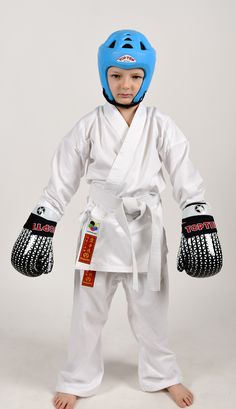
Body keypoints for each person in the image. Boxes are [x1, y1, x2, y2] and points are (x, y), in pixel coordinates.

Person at [11, 29, 222, 409]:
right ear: (104, 75)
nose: (126, 85)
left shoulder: (161, 124)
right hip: (99, 230)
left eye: (136, 76)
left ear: (147, 78)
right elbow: (62, 179)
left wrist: (196, 216)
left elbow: (184, 175)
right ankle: (77, 378)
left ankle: (163, 374)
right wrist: (42, 222)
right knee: (87, 310)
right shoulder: (89, 125)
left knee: (152, 310)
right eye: (116, 75)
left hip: (146, 230)